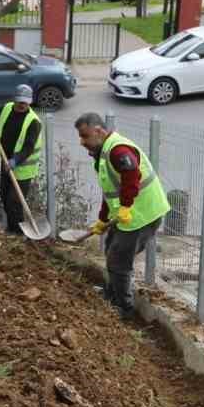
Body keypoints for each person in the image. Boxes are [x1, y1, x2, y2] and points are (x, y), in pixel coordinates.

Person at [73, 112, 169, 319]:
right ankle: (111, 294)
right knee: (110, 250)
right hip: (128, 214)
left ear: (98, 131)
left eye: (85, 136)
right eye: (80, 137)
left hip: (142, 214)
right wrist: (102, 219)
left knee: (118, 261)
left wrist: (125, 206)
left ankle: (124, 308)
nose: (82, 142)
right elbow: (110, 190)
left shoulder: (117, 150)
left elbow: (132, 175)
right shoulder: (103, 152)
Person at [0, 85, 43, 237]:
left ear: (29, 102)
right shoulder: (8, 108)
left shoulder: (34, 122)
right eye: (19, 101)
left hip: (22, 168)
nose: (22, 105)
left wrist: (15, 160)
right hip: (5, 162)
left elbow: (29, 147)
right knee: (4, 196)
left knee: (14, 201)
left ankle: (18, 233)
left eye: (25, 102)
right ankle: (11, 229)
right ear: (14, 99)